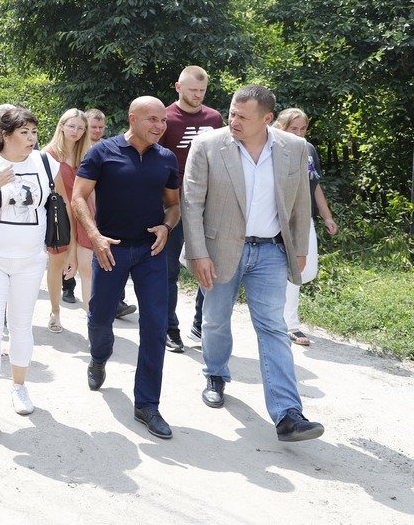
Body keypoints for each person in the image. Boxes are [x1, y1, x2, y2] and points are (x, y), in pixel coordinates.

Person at [184, 85, 324, 442]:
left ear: (266, 119)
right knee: (215, 320)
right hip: (219, 250)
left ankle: (288, 414)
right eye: (232, 113)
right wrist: (198, 253)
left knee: (273, 328)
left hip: (271, 252)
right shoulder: (208, 145)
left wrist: (300, 246)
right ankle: (215, 374)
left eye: (242, 116)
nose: (233, 121)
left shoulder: (294, 148)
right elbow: (191, 203)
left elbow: (299, 203)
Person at [72, 97, 179, 440]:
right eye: (152, 120)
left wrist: (166, 226)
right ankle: (99, 356)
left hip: (150, 252)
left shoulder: (166, 158)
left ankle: (147, 404)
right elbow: (78, 197)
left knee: (155, 325)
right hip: (111, 250)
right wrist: (95, 236)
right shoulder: (102, 152)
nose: (160, 126)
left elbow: (173, 204)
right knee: (100, 317)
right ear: (132, 118)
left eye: (163, 121)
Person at [0, 107, 69, 432]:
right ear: (5, 135)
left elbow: (61, 208)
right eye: (24, 133)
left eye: (34, 132)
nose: (31, 139)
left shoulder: (47, 164)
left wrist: (69, 251)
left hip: (30, 261)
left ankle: (19, 386)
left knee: (21, 326)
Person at [159, 66, 224, 353]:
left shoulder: (214, 118)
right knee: (169, 270)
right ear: (178, 87)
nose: (197, 95)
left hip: (208, 203)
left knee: (211, 265)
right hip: (173, 202)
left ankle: (201, 322)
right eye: (192, 90)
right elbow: (154, 159)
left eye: (202, 91)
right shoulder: (165, 117)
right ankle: (169, 328)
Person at [274, 108, 338, 345]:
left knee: (306, 271)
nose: (299, 134)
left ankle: (279, 314)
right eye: (294, 129)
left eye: (303, 129)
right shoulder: (274, 148)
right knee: (293, 270)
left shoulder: (308, 149)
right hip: (282, 218)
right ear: (281, 127)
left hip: (305, 217)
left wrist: (327, 216)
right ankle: (289, 324)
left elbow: (315, 185)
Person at [74, 108, 137, 320]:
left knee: (112, 252)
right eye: (94, 127)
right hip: (83, 208)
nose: (98, 131)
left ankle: (116, 301)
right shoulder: (80, 149)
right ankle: (76, 293)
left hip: (107, 210)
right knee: (85, 259)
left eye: (101, 127)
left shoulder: (111, 148)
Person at [42, 109, 93, 332]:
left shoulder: (88, 154)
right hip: (59, 215)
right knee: (57, 265)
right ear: (61, 125)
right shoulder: (48, 154)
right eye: (71, 126)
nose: (76, 131)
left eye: (81, 128)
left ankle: (92, 321)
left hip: (85, 213)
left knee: (87, 269)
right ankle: (55, 312)